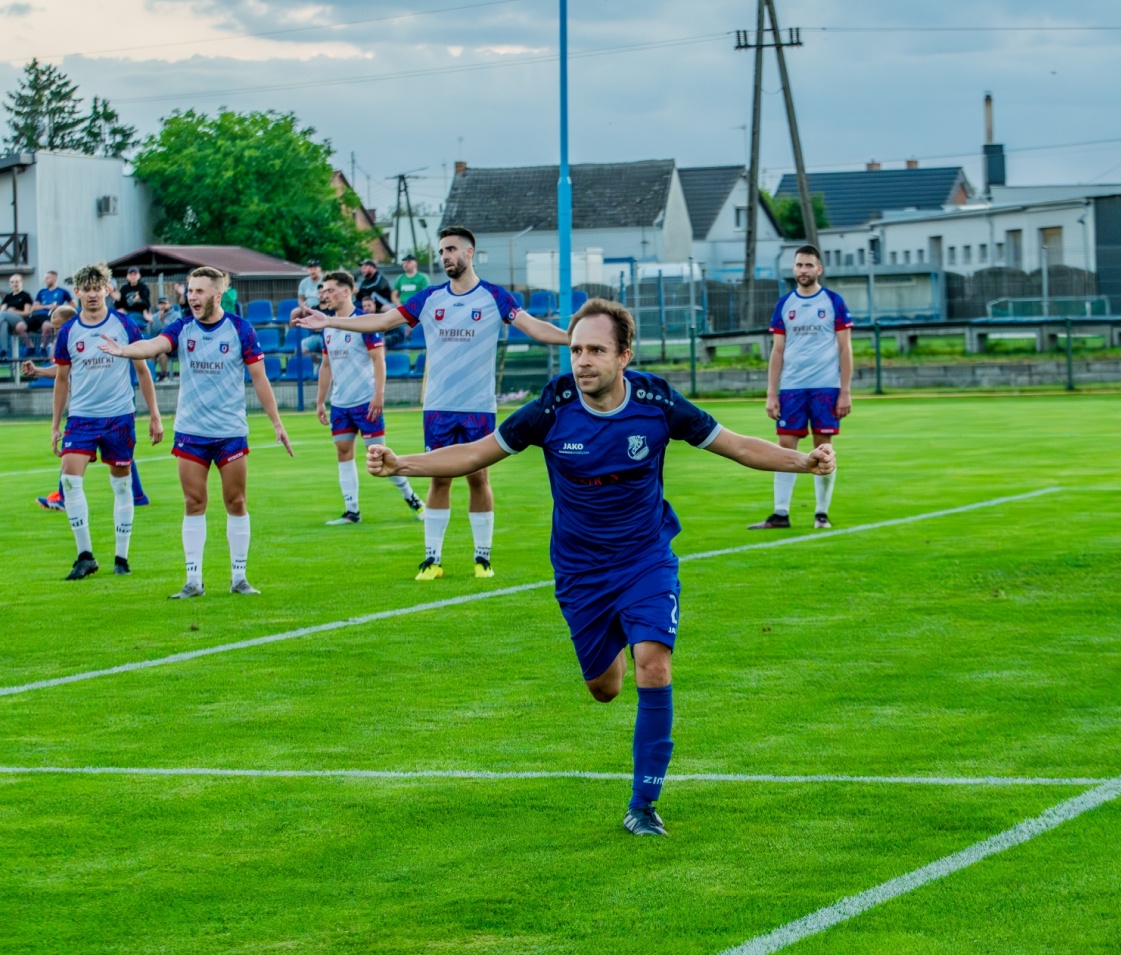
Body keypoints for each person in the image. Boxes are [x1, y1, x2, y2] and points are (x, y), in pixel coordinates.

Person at [365, 298, 836, 836]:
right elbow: (476, 453)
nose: (582, 361)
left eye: (595, 350)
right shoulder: (553, 405)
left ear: (624, 355)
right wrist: (404, 463)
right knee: (605, 688)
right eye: (575, 350)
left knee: (653, 664)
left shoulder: (656, 401)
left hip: (645, 558)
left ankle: (643, 806)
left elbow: (736, 445)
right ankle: (613, 655)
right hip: (580, 571)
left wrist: (803, 460)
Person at [295, 225, 568, 580]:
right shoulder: (429, 298)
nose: (445, 257)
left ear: (469, 253)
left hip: (478, 407)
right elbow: (382, 320)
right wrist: (330, 321)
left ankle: (482, 558)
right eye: (441, 251)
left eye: (451, 249)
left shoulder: (495, 297)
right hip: (438, 406)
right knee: (438, 478)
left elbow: (534, 327)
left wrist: (576, 340)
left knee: (478, 478)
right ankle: (432, 560)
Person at [100, 265, 293, 598]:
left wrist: (277, 422)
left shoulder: (240, 329)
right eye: (190, 291)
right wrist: (125, 351)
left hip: (230, 431)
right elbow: (154, 345)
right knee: (193, 502)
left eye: (199, 291)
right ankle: (193, 581)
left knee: (236, 501)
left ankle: (239, 578)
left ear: (217, 295)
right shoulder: (182, 327)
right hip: (191, 431)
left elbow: (259, 378)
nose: (192, 297)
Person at [41, 264, 163, 579]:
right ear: (78, 292)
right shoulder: (69, 331)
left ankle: (121, 558)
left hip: (119, 417)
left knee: (121, 485)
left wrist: (154, 415)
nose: (93, 294)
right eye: (87, 289)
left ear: (107, 290)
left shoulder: (124, 325)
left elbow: (142, 371)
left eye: (98, 288)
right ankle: (85, 556)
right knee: (70, 481)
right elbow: (62, 379)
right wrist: (55, 424)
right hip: (81, 418)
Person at [750, 244, 853, 530]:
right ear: (793, 269)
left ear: (819, 269)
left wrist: (845, 391)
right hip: (791, 389)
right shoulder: (784, 304)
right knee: (785, 448)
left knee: (824, 449)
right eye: (799, 265)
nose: (803, 270)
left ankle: (821, 514)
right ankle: (780, 513)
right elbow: (777, 351)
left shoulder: (833, 301)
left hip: (826, 387)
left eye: (808, 265)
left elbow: (845, 349)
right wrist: (771, 393)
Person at [313, 270, 424, 525]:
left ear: (346, 292)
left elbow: (378, 359)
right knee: (343, 452)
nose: (325, 295)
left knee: (378, 455)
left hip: (366, 401)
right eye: (323, 291)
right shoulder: (326, 326)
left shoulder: (365, 322)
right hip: (340, 404)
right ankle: (352, 511)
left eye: (330, 290)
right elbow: (326, 366)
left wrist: (379, 394)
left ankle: (412, 498)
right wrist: (320, 401)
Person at [26, 302, 153, 513]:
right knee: (116, 456)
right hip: (99, 409)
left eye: (58, 327)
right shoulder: (74, 339)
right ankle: (137, 496)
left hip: (110, 407)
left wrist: (155, 415)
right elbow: (65, 370)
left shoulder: (95, 336)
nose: (57, 332)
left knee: (78, 451)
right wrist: (37, 371)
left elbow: (68, 370)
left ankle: (64, 498)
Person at [29, 270, 71, 343]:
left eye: (47, 278)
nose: (45, 280)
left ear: (55, 278)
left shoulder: (63, 291)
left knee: (46, 325)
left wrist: (58, 307)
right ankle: (30, 346)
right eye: (45, 278)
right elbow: (34, 307)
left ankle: (43, 347)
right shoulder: (42, 291)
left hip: (51, 315)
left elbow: (72, 305)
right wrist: (47, 306)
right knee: (23, 325)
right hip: (38, 316)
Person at [1, 273, 34, 357]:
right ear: (10, 284)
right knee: (4, 324)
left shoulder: (25, 295)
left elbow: (27, 313)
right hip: (7, 319)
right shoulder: (8, 297)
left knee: (4, 314)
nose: (14, 284)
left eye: (17, 282)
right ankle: (4, 351)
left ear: (21, 283)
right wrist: (7, 312)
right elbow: (2, 310)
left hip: (21, 320)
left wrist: (14, 312)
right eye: (12, 282)